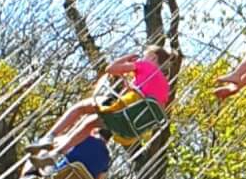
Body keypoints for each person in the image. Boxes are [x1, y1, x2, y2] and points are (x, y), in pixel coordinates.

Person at [40, 49, 177, 153]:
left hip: (120, 109)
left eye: (145, 55)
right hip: (131, 128)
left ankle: (49, 137)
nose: (142, 58)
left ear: (153, 57)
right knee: (90, 123)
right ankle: (57, 154)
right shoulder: (166, 88)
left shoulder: (146, 66)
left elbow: (110, 69)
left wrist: (127, 59)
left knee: (80, 108)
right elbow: (151, 107)